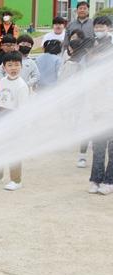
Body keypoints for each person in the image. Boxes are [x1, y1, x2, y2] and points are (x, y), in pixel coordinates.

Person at [0, 52, 30, 191]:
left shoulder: (22, 86)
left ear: (21, 66)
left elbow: (23, 109)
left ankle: (16, 180)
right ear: (4, 67)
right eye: (10, 65)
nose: (13, 68)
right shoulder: (2, 81)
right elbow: (1, 100)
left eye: (16, 65)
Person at [87, 16, 113, 195]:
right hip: (98, 108)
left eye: (102, 26)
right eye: (96, 26)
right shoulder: (92, 46)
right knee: (98, 145)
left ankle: (109, 181)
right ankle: (95, 179)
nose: (99, 29)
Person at [58, 38, 90, 168]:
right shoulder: (71, 64)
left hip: (83, 98)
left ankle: (82, 154)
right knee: (76, 121)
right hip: (75, 98)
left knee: (81, 122)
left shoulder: (80, 64)